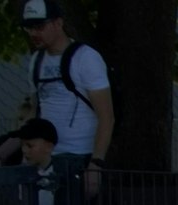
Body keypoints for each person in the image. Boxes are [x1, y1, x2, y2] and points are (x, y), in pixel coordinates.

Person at [20, 0, 113, 194]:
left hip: (80, 157)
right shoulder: (36, 61)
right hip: (46, 159)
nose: (34, 33)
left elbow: (107, 117)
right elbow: (34, 111)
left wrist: (95, 164)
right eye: (28, 28)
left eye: (40, 26)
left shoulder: (86, 58)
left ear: (58, 23)